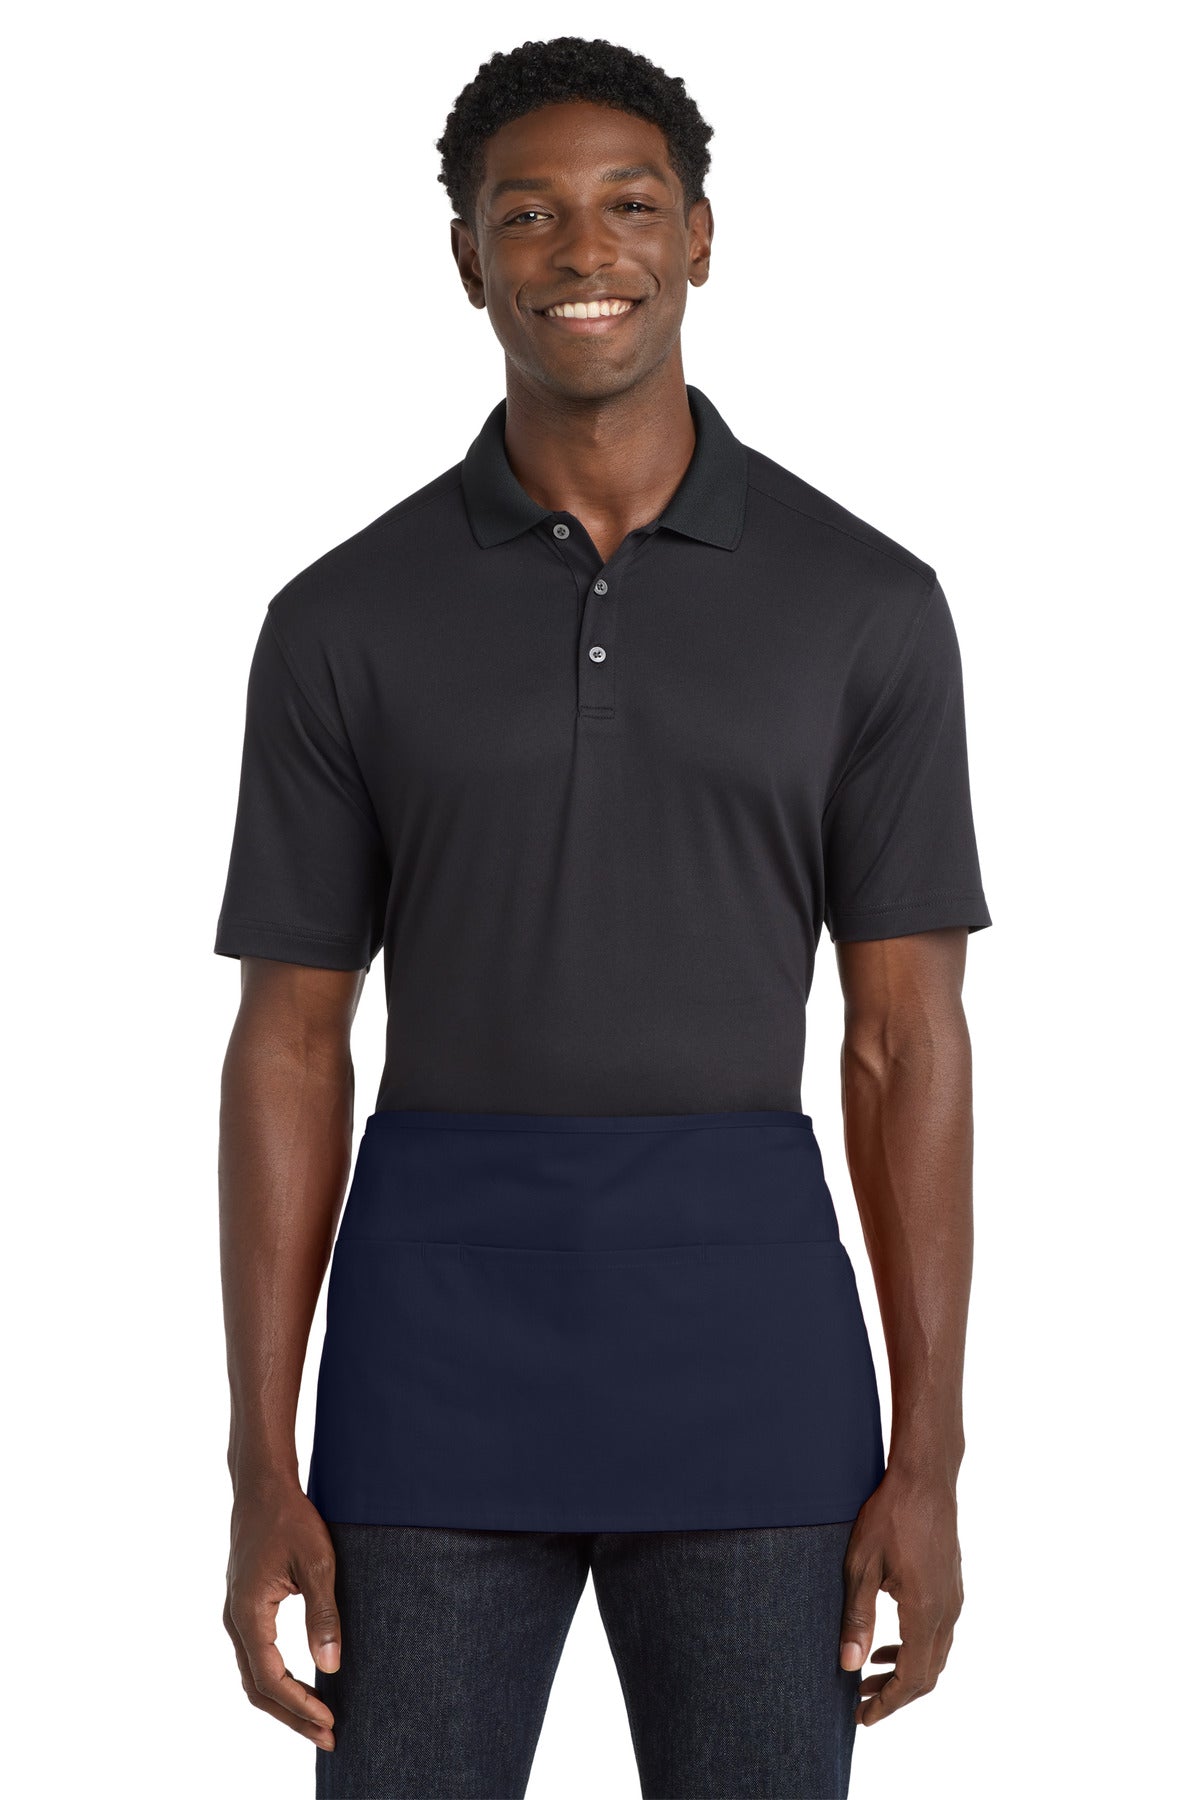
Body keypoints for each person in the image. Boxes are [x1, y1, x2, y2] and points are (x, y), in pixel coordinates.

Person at [215, 35, 991, 1800]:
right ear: (467, 257)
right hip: (428, 1363)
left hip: (757, 1363)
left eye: (631, 206)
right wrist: (262, 1455)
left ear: (699, 237)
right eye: (530, 214)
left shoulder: (867, 605)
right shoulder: (342, 618)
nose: (584, 251)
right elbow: (289, 1043)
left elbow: (902, 1039)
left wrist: (932, 1453)